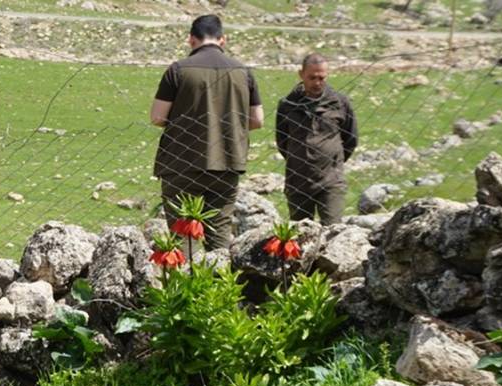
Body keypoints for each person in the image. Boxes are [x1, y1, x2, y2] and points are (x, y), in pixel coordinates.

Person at [150, 14, 263, 250]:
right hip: (227, 161)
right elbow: (257, 120)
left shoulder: (178, 70)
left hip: (182, 162)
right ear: (223, 39)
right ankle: (219, 283)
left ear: (191, 39)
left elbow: (157, 117)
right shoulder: (243, 72)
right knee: (219, 234)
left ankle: (180, 283)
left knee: (180, 236)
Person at [275, 53, 358, 225]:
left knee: (333, 231)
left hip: (331, 181)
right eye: (312, 78)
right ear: (301, 74)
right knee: (300, 235)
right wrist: (300, 158)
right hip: (297, 181)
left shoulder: (340, 103)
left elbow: (350, 139)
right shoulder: (287, 105)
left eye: (321, 77)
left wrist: (332, 160)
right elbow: (282, 142)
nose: (317, 82)